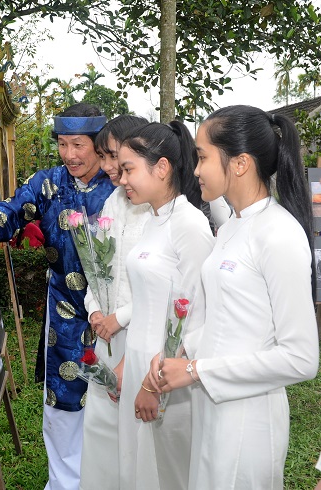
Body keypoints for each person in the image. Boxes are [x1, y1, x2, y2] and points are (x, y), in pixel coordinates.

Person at [0, 103, 114, 490]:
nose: (70, 154)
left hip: (119, 317)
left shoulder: (122, 185)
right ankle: (65, 483)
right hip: (67, 312)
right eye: (64, 144)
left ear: (100, 145)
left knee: (115, 399)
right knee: (64, 404)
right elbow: (12, 211)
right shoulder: (48, 183)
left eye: (79, 145)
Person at [152, 105, 319, 489]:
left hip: (248, 419)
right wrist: (177, 353)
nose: (194, 170)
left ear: (240, 163)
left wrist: (195, 371)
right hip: (213, 408)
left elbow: (301, 358)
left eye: (203, 157)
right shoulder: (232, 228)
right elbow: (225, 320)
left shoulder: (278, 234)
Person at [115, 121, 214, 489]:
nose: (121, 179)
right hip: (141, 361)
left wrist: (154, 383)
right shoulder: (153, 220)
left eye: (128, 169)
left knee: (168, 472)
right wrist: (128, 362)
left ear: (161, 167)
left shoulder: (189, 225)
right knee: (138, 466)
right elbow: (149, 301)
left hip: (168, 373)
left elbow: (196, 316)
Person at [80, 115, 151, 490]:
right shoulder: (111, 202)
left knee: (137, 438)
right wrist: (95, 308)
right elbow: (97, 266)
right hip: (105, 334)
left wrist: (121, 317)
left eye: (113, 157)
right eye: (106, 157)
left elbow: (165, 289)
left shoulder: (159, 210)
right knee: (102, 430)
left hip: (141, 335)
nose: (107, 166)